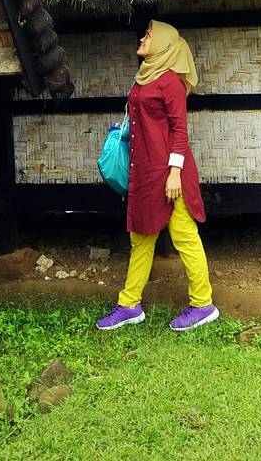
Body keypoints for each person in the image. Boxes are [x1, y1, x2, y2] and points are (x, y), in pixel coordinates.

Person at [96, 20, 218, 331]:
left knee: (184, 236)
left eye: (148, 35)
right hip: (146, 173)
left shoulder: (171, 82)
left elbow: (180, 130)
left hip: (170, 174)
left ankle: (203, 304)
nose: (142, 38)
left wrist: (175, 172)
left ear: (164, 43)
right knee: (141, 236)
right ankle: (129, 305)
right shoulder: (143, 79)